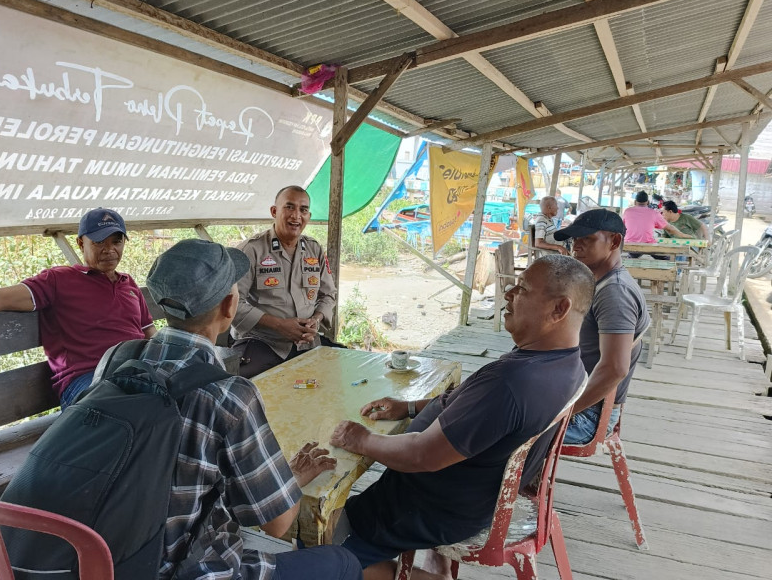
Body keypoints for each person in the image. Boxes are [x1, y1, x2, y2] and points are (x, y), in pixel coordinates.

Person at [93, 238, 361, 580]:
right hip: (188, 569)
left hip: (112, 559)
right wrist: (291, 477)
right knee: (343, 563)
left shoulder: (116, 358)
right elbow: (276, 524)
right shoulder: (230, 395)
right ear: (229, 306)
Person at [329, 255, 594, 580]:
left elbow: (421, 455)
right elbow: (467, 406)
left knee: (321, 547)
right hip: (475, 495)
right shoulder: (567, 364)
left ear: (559, 309)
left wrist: (361, 438)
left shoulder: (510, 383)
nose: (509, 292)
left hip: (432, 507)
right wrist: (409, 408)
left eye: (523, 289)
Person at [0, 208, 155, 408]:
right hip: (89, 381)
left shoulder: (128, 284)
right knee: (132, 406)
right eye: (99, 242)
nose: (109, 249)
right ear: (80, 243)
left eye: (116, 241)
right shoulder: (58, 281)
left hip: (135, 373)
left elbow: (149, 333)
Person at [553, 209, 650, 445]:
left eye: (587, 239)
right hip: (576, 398)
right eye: (575, 239)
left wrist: (563, 413)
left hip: (587, 416)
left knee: (489, 430)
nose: (576, 246)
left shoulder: (615, 293)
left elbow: (615, 368)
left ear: (614, 241)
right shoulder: (602, 283)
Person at [232, 185, 340, 377]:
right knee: (252, 388)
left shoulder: (314, 249)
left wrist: (315, 320)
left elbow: (328, 294)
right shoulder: (251, 250)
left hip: (307, 343)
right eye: (289, 207)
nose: (296, 216)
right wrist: (278, 324)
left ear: (309, 215)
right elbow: (232, 303)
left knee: (338, 375)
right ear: (274, 211)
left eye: (303, 210)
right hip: (263, 343)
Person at [623, 190, 692, 244]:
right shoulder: (653, 213)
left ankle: (632, 256)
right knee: (663, 256)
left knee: (633, 254)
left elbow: (622, 227)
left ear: (635, 202)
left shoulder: (627, 211)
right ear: (648, 202)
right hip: (648, 244)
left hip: (629, 242)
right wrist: (682, 235)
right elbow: (670, 228)